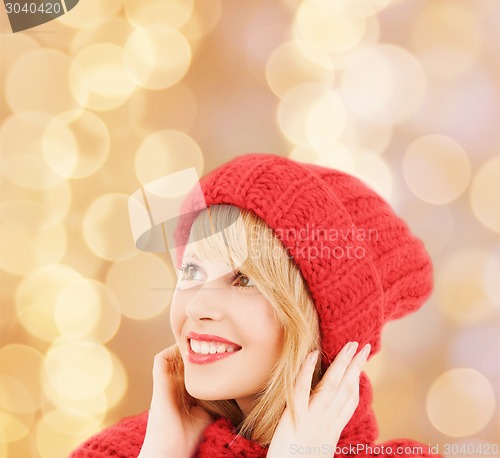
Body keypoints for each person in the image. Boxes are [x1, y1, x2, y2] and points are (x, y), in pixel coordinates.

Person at [70, 153, 442, 458]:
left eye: (244, 280)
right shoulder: (121, 451)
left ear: (321, 324)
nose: (198, 307)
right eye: (192, 271)